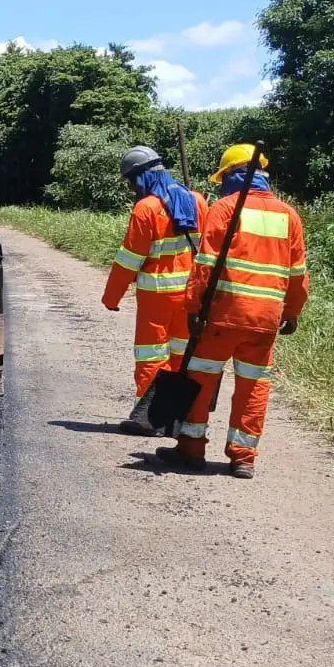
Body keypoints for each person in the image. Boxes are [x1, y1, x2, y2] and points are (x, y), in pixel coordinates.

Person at [155, 144, 308, 478]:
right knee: (253, 386)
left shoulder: (225, 208)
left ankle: (191, 450)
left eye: (224, 178)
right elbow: (298, 273)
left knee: (199, 381)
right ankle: (244, 457)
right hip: (266, 321)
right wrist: (293, 311)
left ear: (234, 176)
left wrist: (193, 308)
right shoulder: (289, 215)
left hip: (223, 317)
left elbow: (205, 264)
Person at [102, 146, 209, 433]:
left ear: (141, 177)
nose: (130, 187)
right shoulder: (197, 200)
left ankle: (148, 420)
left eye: (130, 181)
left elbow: (129, 259)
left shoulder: (146, 208)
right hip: (191, 297)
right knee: (182, 356)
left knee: (151, 356)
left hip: (156, 298)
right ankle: (177, 420)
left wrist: (111, 297)